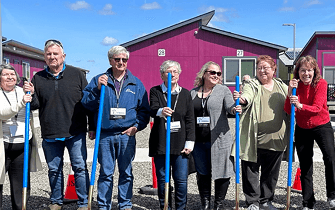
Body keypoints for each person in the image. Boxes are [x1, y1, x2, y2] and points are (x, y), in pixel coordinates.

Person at [24, 40, 94, 210]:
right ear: (44, 57)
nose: (52, 57)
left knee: (79, 166)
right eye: (49, 54)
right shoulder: (38, 78)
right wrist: (31, 94)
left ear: (63, 56)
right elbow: (35, 105)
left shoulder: (77, 74)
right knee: (54, 169)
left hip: (75, 131)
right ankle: (56, 201)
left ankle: (84, 202)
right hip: (50, 132)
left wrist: (91, 126)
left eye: (55, 54)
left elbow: (88, 102)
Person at [81, 45, 150, 210]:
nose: (121, 62)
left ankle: (125, 204)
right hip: (105, 135)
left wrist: (136, 127)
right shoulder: (99, 80)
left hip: (127, 135)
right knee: (106, 173)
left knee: (126, 172)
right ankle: (104, 205)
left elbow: (144, 111)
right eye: (117, 59)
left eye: (124, 60)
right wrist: (97, 89)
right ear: (110, 60)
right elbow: (86, 104)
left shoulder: (136, 83)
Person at [233, 55, 289, 210]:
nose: (262, 71)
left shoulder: (281, 86)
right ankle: (252, 202)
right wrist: (242, 99)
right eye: (259, 68)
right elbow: (247, 96)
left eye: (266, 67)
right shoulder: (252, 84)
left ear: (274, 70)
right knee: (250, 171)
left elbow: (291, 100)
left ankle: (265, 201)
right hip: (254, 139)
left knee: (271, 174)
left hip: (276, 139)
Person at [285, 55, 335, 210]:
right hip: (302, 128)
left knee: (330, 159)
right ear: (297, 72)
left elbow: (318, 108)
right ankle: (308, 202)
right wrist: (289, 92)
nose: (306, 73)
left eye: (309, 70)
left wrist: (299, 105)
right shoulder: (296, 86)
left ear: (315, 71)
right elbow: (288, 109)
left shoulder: (321, 83)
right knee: (305, 164)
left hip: (321, 125)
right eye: (303, 70)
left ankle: (332, 196)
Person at [190, 61, 241, 210]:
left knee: (222, 172)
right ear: (204, 74)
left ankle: (218, 204)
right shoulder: (193, 92)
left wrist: (235, 109)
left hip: (219, 139)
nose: (216, 76)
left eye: (218, 73)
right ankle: (205, 203)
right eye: (213, 72)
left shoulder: (223, 90)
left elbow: (230, 107)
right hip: (199, 141)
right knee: (202, 173)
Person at [149, 60, 195, 210]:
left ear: (179, 74)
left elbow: (190, 120)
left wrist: (190, 142)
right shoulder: (155, 91)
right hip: (161, 141)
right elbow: (152, 108)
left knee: (181, 180)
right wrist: (160, 111)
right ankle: (165, 207)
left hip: (180, 142)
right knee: (163, 179)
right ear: (162, 75)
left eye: (175, 71)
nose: (172, 74)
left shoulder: (186, 94)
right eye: (168, 72)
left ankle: (181, 208)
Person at [0, 64, 42, 210]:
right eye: (6, 74)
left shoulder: (22, 91)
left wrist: (33, 93)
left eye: (13, 74)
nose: (10, 77)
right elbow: (3, 113)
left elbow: (36, 105)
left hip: (23, 144)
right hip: (2, 144)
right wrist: (22, 102)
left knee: (20, 183)